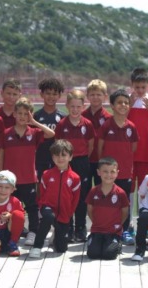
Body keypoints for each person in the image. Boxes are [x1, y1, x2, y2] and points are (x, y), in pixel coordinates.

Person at [0, 97, 55, 246]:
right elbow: (1, 155)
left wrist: (34, 122)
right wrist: (0, 176)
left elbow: (51, 134)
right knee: (11, 207)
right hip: (10, 180)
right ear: (14, 114)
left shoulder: (34, 132)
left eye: (26, 114)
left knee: (32, 207)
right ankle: (11, 232)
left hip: (29, 178)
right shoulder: (6, 133)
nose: (22, 117)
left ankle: (32, 232)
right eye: (20, 113)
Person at [98, 89, 139, 244]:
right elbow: (100, 148)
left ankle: (125, 230)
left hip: (125, 172)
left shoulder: (131, 127)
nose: (123, 105)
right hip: (108, 174)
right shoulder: (106, 125)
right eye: (119, 102)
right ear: (112, 105)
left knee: (124, 202)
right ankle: (106, 227)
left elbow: (133, 148)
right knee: (107, 201)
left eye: (126, 103)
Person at [28, 140, 81, 258]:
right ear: (52, 157)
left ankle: (56, 236)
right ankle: (37, 246)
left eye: (63, 155)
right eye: (56, 155)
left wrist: (69, 214)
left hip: (64, 213)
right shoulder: (47, 174)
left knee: (61, 249)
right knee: (48, 217)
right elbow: (41, 193)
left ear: (70, 157)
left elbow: (75, 199)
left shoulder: (75, 178)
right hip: (48, 208)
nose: (60, 158)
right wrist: (42, 207)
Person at [55, 89, 95, 242]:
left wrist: (82, 158)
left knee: (82, 197)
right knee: (67, 196)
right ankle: (68, 228)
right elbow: (58, 145)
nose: (75, 109)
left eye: (78, 106)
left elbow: (90, 146)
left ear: (83, 106)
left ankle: (81, 227)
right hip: (66, 164)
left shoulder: (88, 124)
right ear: (66, 106)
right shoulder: (61, 124)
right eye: (72, 106)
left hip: (82, 162)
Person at [127, 68, 148, 236]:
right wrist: (128, 103)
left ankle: (145, 224)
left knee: (145, 191)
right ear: (132, 85)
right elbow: (121, 119)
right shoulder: (128, 100)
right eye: (137, 87)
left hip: (147, 153)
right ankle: (128, 223)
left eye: (142, 87)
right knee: (129, 190)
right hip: (130, 154)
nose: (140, 90)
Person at [85, 157, 129, 260]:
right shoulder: (94, 191)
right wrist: (96, 223)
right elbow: (90, 210)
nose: (109, 175)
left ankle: (117, 243)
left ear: (117, 173)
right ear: (98, 172)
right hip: (97, 230)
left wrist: (117, 225)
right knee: (93, 254)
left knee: (109, 255)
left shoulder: (121, 193)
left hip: (113, 231)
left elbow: (125, 212)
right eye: (105, 171)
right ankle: (92, 239)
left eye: (112, 172)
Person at [34, 77, 65, 180]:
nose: (51, 96)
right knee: (39, 187)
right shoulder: (36, 117)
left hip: (58, 160)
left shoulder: (63, 117)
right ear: (42, 94)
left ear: (59, 96)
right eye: (48, 93)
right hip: (40, 159)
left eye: (55, 94)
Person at [82, 79, 112, 187]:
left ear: (105, 96)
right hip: (85, 160)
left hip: (102, 161)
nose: (95, 97)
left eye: (99, 94)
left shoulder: (109, 118)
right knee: (84, 191)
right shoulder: (82, 116)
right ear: (87, 96)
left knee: (103, 190)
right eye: (92, 94)